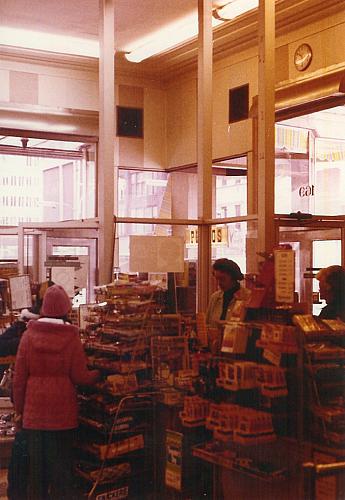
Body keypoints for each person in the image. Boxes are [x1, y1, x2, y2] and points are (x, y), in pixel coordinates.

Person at [13, 284, 100, 500]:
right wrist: (99, 374)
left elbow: (19, 379)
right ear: (65, 309)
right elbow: (80, 377)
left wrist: (19, 411)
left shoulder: (28, 336)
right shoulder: (71, 338)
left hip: (34, 418)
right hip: (63, 417)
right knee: (61, 475)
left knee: (37, 476)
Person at [206, 258, 250, 327]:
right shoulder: (214, 298)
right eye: (217, 279)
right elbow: (208, 324)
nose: (219, 283)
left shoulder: (247, 297)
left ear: (233, 277)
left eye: (222, 279)